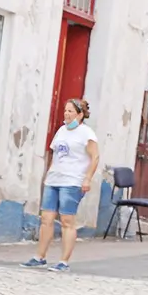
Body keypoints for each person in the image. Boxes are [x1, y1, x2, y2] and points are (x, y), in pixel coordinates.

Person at [21, 98, 99, 272]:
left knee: (67, 220)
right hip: (54, 180)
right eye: (65, 110)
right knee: (46, 219)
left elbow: (95, 157)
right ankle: (39, 256)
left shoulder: (87, 133)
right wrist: (48, 175)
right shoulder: (61, 131)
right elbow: (54, 154)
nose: (67, 114)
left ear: (80, 115)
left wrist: (87, 179)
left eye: (71, 111)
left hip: (72, 182)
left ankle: (64, 261)